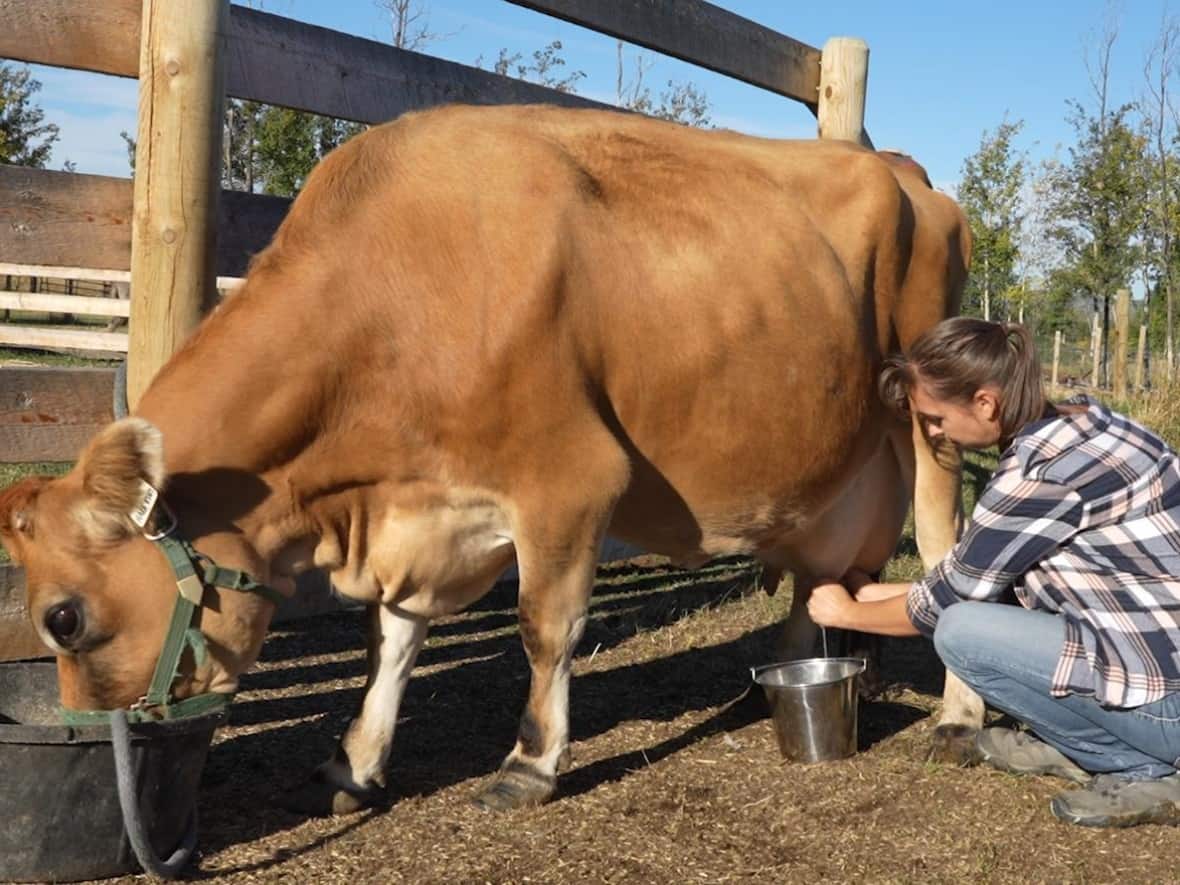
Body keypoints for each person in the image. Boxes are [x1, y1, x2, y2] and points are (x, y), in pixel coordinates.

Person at [807, 316, 1180, 829]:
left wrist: (845, 610)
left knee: (962, 636)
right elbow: (976, 578)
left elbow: (945, 605)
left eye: (935, 418)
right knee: (978, 617)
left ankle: (1137, 765)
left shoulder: (1038, 476)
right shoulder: (1091, 423)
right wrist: (873, 591)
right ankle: (1105, 745)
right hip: (1156, 651)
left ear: (985, 403)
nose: (933, 433)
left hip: (1168, 702)